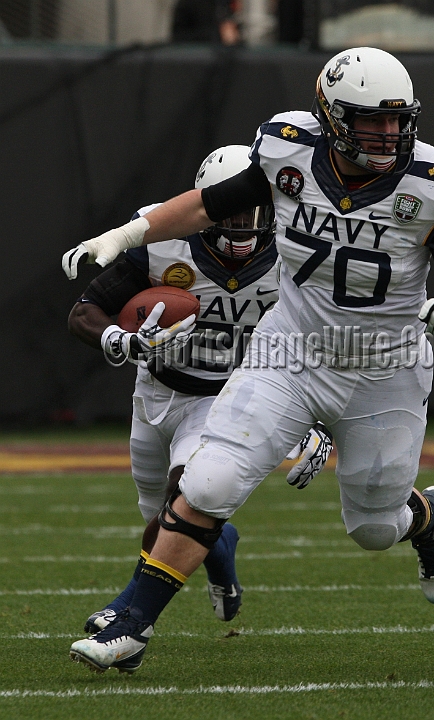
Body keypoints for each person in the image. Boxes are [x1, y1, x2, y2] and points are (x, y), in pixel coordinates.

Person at [63, 47, 434, 674]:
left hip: (386, 365)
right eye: (371, 119)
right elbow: (207, 205)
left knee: (374, 527)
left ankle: (426, 520)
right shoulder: (286, 147)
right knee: (209, 480)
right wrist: (126, 236)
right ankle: (129, 625)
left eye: (398, 118)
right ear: (330, 114)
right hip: (290, 348)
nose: (389, 133)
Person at [67, 144, 333, 633]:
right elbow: (85, 310)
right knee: (163, 514)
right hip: (155, 391)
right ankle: (222, 551)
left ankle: (129, 613)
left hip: (225, 396)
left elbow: (324, 339)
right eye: (228, 216)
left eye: (251, 215)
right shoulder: (165, 243)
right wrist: (120, 340)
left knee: (180, 495)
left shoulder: (294, 255)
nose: (241, 228)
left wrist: (317, 422)